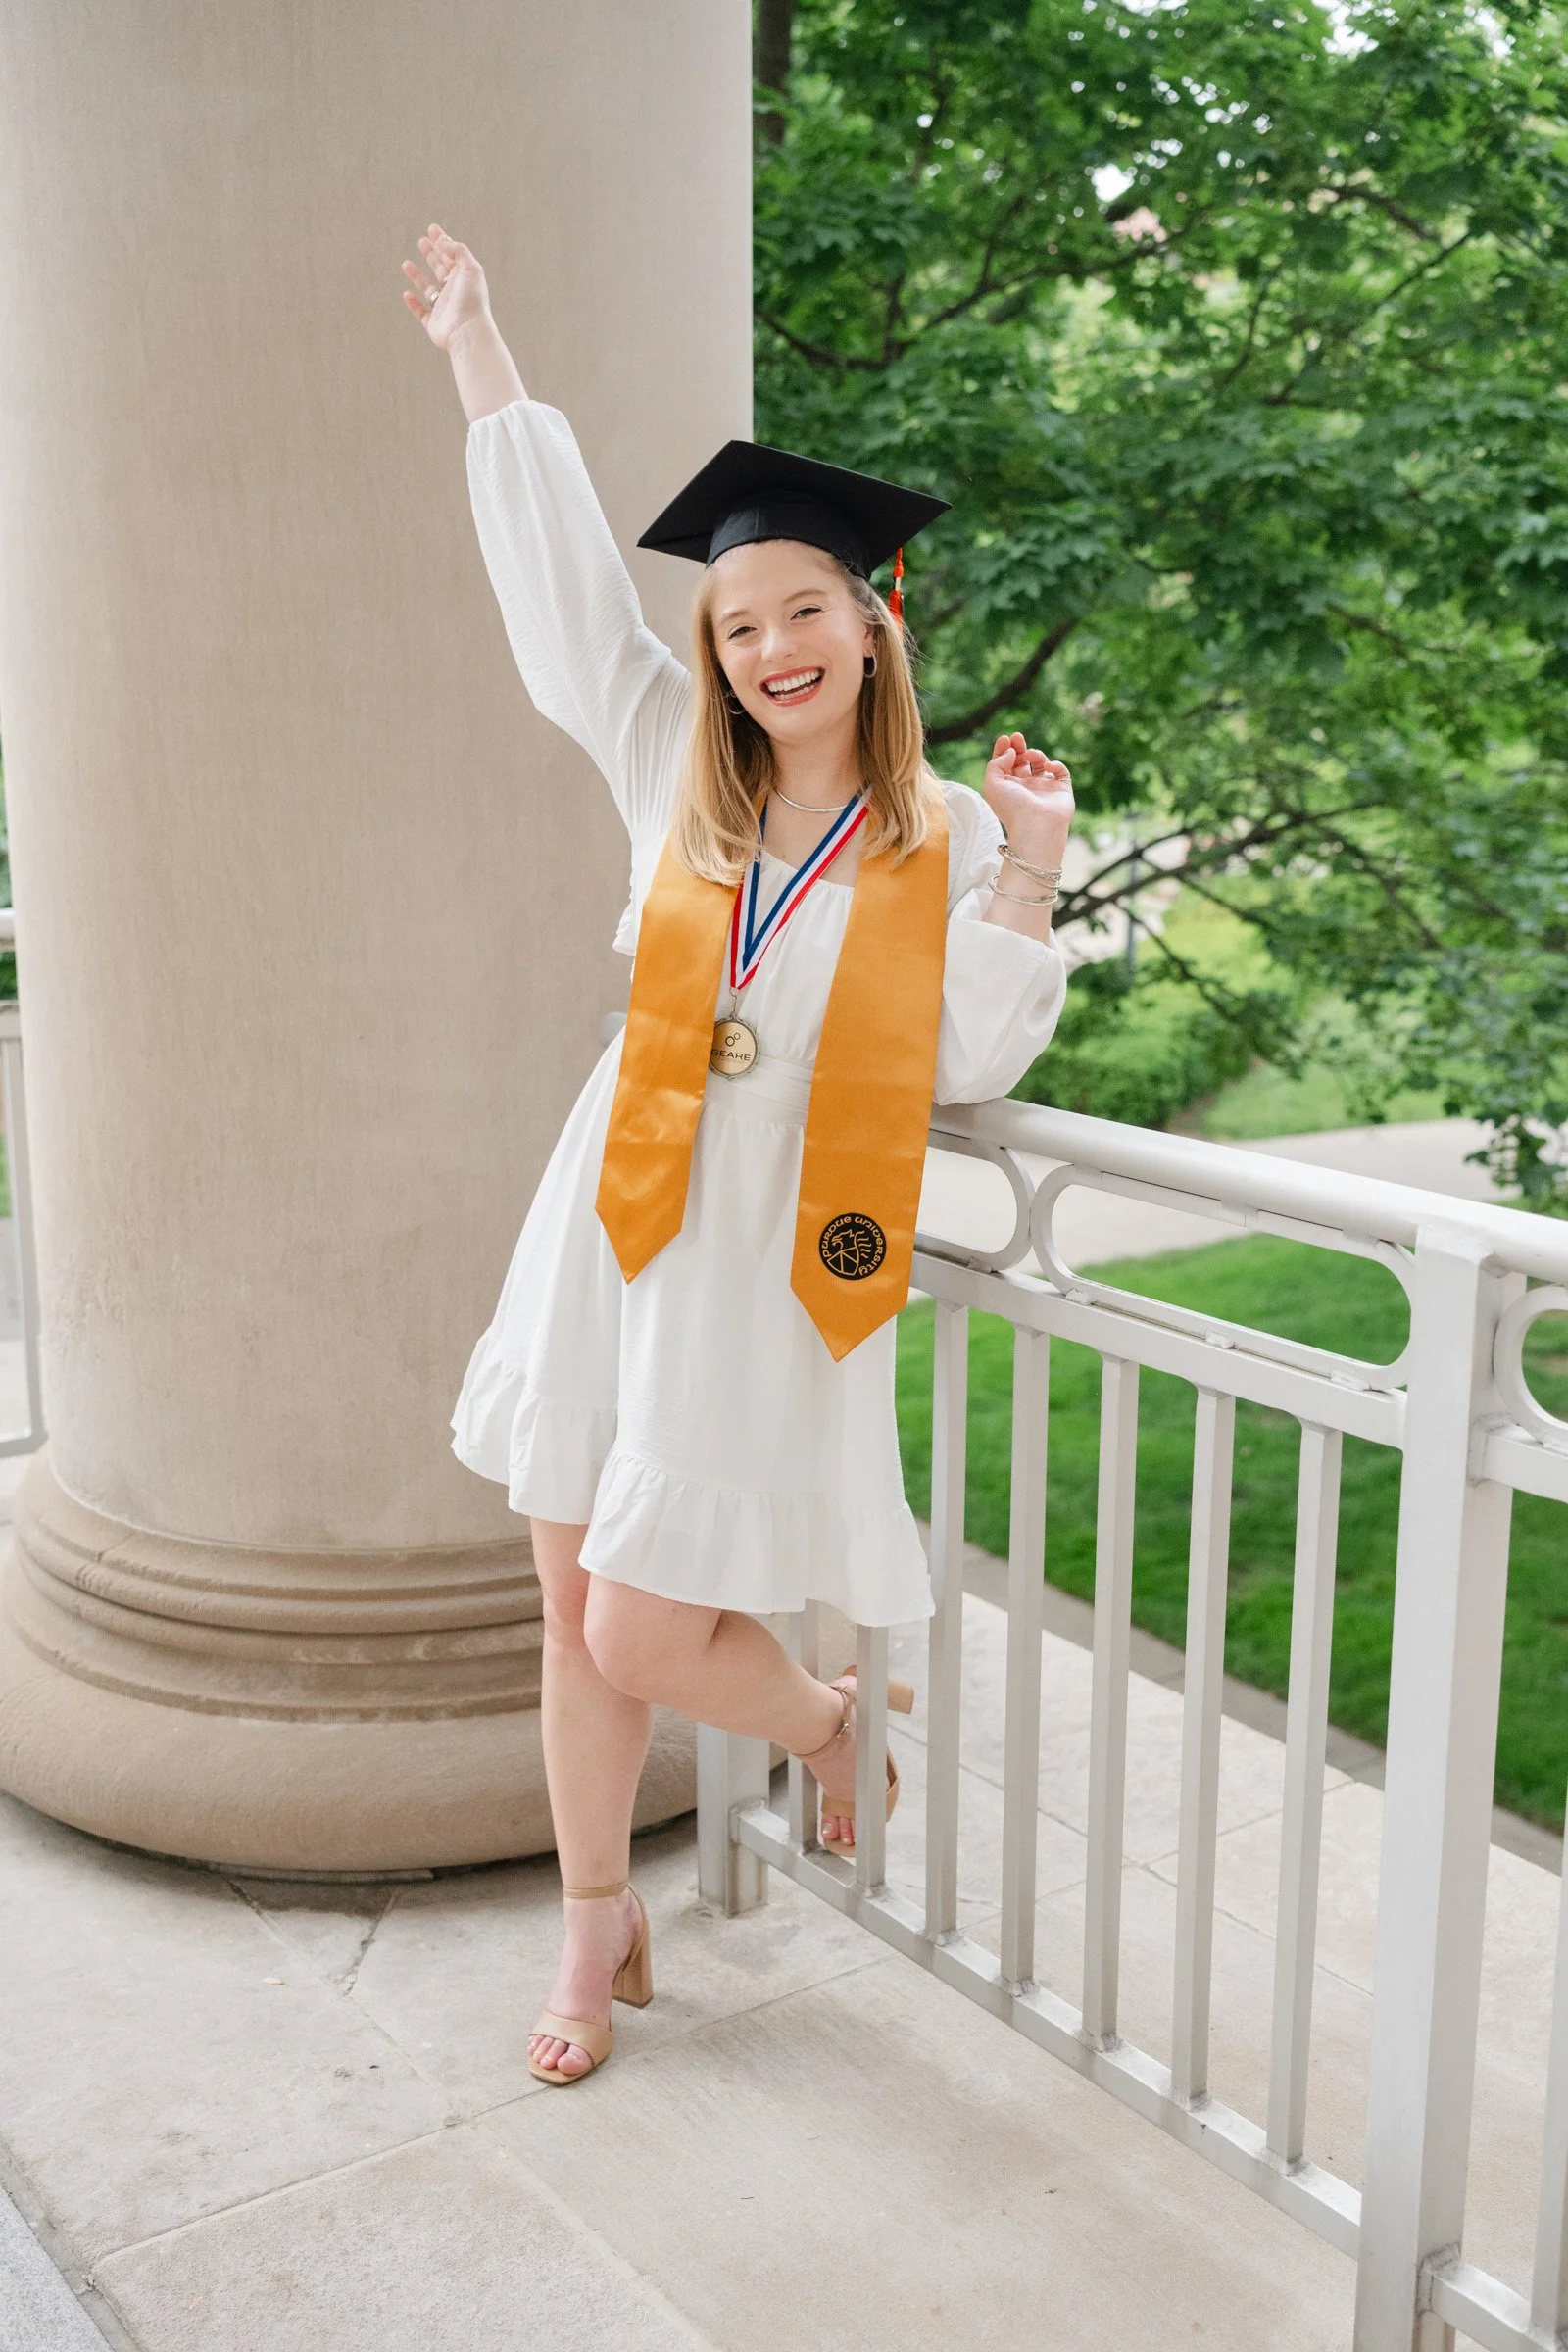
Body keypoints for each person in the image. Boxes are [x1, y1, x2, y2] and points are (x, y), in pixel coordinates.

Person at [402, 224, 1075, 2084]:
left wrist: (1030, 864)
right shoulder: (667, 772)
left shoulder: (929, 835)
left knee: (641, 1619)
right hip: (613, 1219)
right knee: (570, 1609)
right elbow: (560, 604)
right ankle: (592, 1932)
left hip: (770, 1257)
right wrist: (482, 348)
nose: (771, 645)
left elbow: (961, 1057)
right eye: (739, 620)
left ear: (875, 619)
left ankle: (824, 1719)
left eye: (803, 608)